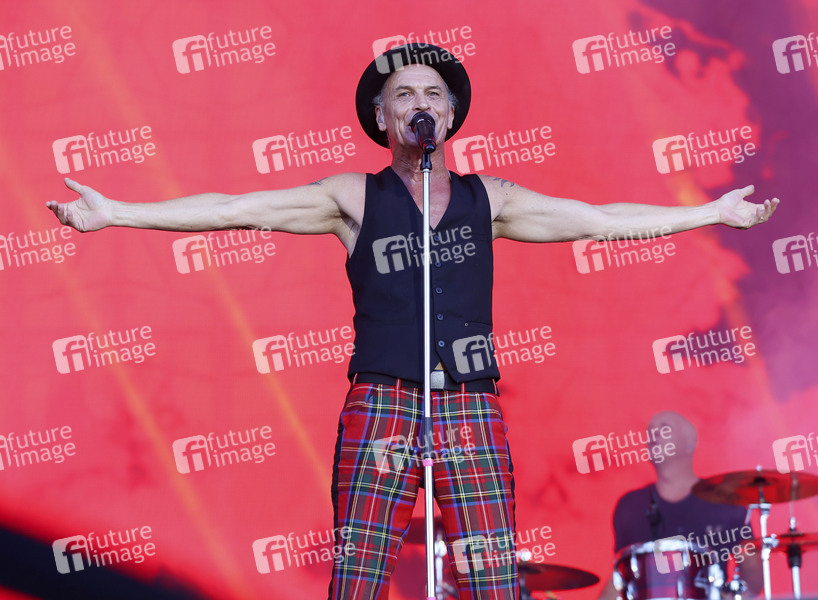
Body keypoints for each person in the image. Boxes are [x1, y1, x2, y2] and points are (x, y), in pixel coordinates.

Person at [47, 44, 778, 600]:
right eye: (403, 94)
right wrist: (119, 212)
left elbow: (599, 221)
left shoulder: (490, 199)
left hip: (469, 405)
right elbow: (233, 209)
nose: (419, 103)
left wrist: (709, 213)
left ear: (450, 117)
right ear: (382, 118)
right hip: (382, 403)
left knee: (494, 580)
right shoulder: (352, 196)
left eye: (432, 94)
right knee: (359, 577)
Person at [597, 411, 763, 600]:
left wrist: (729, 596)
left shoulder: (723, 501)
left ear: (690, 442)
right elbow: (621, 576)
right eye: (650, 431)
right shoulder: (630, 506)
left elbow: (752, 577)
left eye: (664, 428)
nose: (654, 434)